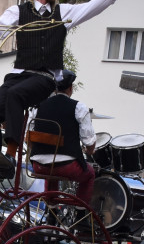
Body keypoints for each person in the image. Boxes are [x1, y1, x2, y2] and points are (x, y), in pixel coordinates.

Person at [0, 0, 143, 175]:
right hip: (19, 74)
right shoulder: (18, 12)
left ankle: (10, 156)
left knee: (15, 95)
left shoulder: (63, 13)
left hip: (45, 77)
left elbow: (95, 6)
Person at [28, 69, 96, 206]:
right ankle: (80, 212)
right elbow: (89, 141)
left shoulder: (37, 107)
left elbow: (28, 137)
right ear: (71, 88)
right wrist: (89, 151)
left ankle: (51, 211)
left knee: (51, 169)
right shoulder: (79, 107)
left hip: (38, 165)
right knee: (90, 174)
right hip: (67, 166)